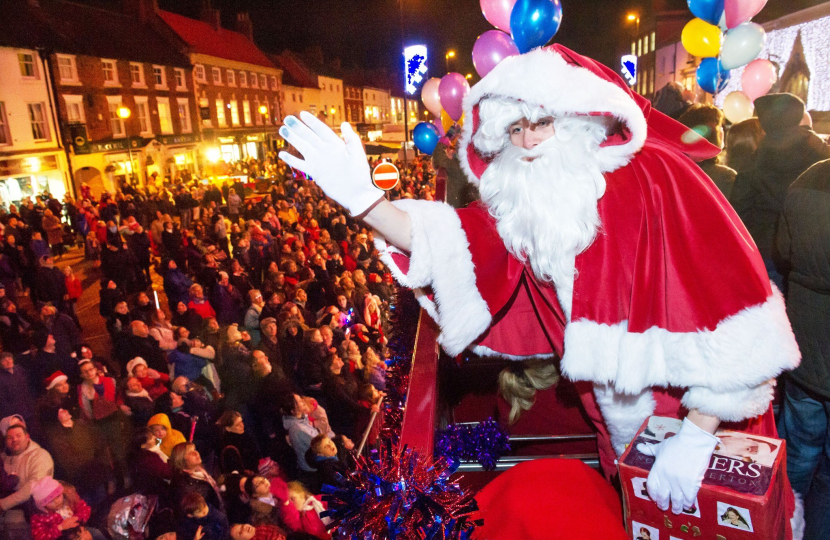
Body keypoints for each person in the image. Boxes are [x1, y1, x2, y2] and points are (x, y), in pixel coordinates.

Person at [279, 45, 800, 523]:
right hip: (617, 436)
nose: (527, 140)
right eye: (514, 128)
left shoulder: (661, 180)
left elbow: (745, 327)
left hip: (704, 427)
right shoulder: (526, 207)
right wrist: (368, 203)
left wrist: (695, 438)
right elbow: (454, 239)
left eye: (542, 122)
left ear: (578, 118)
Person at [776, 158, 830, 539]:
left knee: (797, 451)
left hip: (804, 349)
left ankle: (781, 524)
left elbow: (784, 252)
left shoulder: (809, 175)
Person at [731, 93, 830, 291]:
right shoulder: (819, 152)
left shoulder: (755, 159)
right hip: (811, 253)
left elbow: (738, 211)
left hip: (764, 250)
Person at [0, 422, 54, 511]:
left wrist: (3, 504)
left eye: (18, 435)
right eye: (9, 437)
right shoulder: (3, 458)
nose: (14, 439)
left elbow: (34, 485)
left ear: (27, 437)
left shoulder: (40, 455)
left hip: (32, 513)